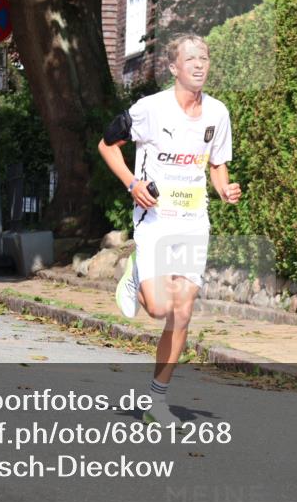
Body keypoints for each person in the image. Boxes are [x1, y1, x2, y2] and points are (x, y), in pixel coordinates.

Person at [97, 34, 241, 425]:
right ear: (173, 68)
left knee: (182, 312)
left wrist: (224, 189)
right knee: (160, 307)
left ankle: (157, 400)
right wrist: (132, 184)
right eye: (190, 59)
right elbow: (107, 145)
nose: (199, 64)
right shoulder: (150, 109)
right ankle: (137, 271)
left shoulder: (217, 113)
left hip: (194, 222)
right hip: (156, 219)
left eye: (205, 58)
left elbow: (215, 164)